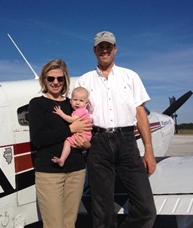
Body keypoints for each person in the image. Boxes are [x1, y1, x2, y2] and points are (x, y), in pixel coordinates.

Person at [75, 31, 157, 228]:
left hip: (127, 141)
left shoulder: (130, 76)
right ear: (94, 50)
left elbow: (140, 114)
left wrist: (149, 150)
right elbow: (78, 115)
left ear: (115, 49)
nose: (105, 50)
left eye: (108, 46)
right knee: (102, 213)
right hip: (98, 143)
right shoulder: (83, 81)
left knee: (146, 210)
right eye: (100, 47)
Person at [28, 59, 92, 228]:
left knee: (69, 223)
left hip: (76, 171)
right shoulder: (37, 104)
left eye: (60, 78)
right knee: (53, 224)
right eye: (51, 79)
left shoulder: (73, 104)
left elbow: (86, 132)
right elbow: (38, 139)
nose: (55, 82)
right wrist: (70, 129)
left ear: (65, 80)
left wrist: (86, 145)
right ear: (44, 80)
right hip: (49, 173)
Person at [52, 86, 92, 167]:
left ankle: (62, 159)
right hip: (84, 135)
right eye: (75, 100)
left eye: (81, 100)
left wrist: (60, 113)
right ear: (71, 101)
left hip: (82, 135)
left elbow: (71, 120)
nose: (77, 103)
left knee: (67, 142)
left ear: (86, 103)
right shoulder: (80, 110)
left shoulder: (81, 111)